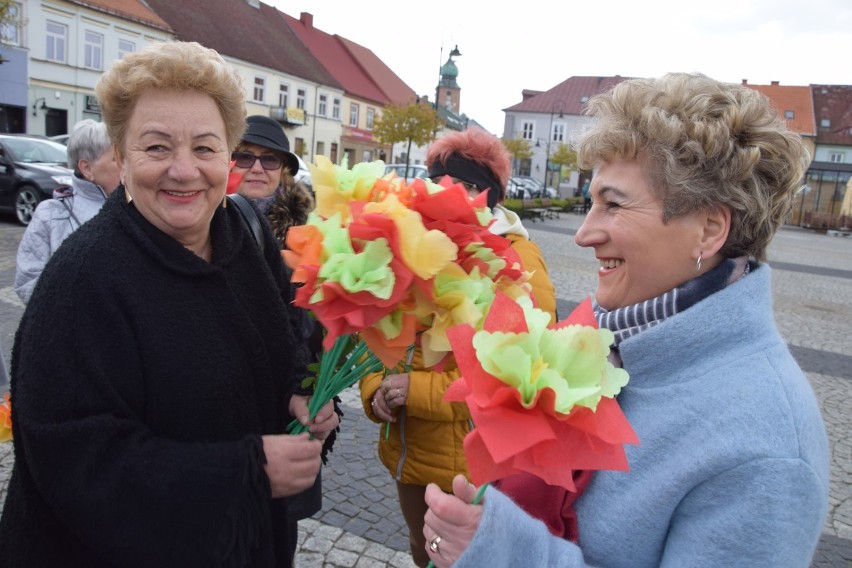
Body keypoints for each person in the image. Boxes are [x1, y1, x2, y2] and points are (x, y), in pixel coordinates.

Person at [421, 72, 830, 568]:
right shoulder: (598, 336)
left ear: (709, 229)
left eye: (614, 204)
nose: (584, 234)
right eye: (591, 203)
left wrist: (499, 552)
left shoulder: (766, 447)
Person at [0, 41, 338, 568]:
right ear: (121, 152)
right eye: (157, 147)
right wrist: (246, 473)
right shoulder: (82, 282)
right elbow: (76, 463)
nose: (184, 170)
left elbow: (283, 341)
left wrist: (299, 395)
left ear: (227, 153)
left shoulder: (243, 237)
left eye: (204, 148)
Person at [359, 127, 557, 567]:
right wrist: (376, 390)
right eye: (440, 181)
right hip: (411, 453)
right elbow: (374, 337)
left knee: (465, 559)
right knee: (423, 550)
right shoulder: (408, 245)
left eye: (468, 185)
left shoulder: (517, 258)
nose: (451, 194)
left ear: (492, 195)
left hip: (474, 464)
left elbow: (521, 374)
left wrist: (419, 392)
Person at [232, 114, 329, 564]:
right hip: (224, 403)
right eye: (245, 156)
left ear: (285, 170)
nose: (256, 167)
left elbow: (317, 324)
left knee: (273, 536)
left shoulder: (307, 235)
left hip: (284, 402)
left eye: (269, 159)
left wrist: (308, 388)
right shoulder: (202, 220)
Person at [14, 119, 121, 304]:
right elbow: (27, 283)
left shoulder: (139, 207)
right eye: (116, 159)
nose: (126, 166)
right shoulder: (51, 215)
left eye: (125, 157)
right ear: (87, 168)